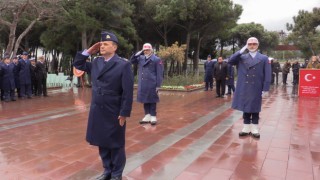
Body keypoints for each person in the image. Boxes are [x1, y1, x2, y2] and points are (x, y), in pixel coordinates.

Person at [73, 31, 134, 180]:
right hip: (97, 109)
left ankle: (116, 174)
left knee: (116, 144)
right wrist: (88, 52)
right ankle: (107, 170)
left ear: (115, 47)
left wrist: (124, 112)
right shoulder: (96, 62)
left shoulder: (123, 65)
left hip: (113, 110)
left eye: (106, 44)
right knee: (102, 142)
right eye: (101, 44)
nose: (102, 46)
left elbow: (128, 91)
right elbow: (78, 64)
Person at [228, 37, 271, 139]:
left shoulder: (264, 58)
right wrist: (241, 50)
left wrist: (265, 88)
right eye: (250, 44)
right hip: (244, 86)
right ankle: (246, 127)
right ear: (247, 45)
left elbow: (268, 74)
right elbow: (230, 61)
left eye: (254, 44)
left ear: (258, 45)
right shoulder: (242, 57)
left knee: (255, 107)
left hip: (257, 86)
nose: (252, 46)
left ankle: (255, 128)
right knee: (246, 106)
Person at [130, 43, 163, 125]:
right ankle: (147, 115)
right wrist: (139, 53)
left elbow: (159, 73)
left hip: (152, 82)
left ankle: (153, 116)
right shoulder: (140, 58)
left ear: (151, 50)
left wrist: (158, 85)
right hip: (143, 83)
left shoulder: (156, 59)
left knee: (152, 100)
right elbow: (132, 61)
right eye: (144, 50)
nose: (146, 51)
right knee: (145, 99)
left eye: (147, 50)